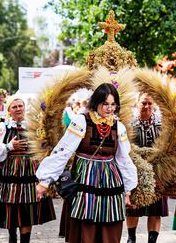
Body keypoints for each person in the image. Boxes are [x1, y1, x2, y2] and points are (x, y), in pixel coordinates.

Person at [36, 83, 138, 243]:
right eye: (105, 104)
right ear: (96, 102)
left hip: (111, 182)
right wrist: (45, 180)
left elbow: (124, 159)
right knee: (85, 224)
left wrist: (128, 189)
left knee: (109, 226)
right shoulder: (81, 121)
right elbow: (63, 151)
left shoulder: (118, 127)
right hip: (85, 179)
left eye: (113, 104)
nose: (109, 108)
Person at [0, 95, 56, 243]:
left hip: (30, 175)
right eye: (14, 106)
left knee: (27, 209)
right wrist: (9, 146)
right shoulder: (2, 127)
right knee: (10, 208)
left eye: (20, 106)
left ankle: (24, 240)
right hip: (9, 176)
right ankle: (12, 237)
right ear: (9, 109)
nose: (18, 109)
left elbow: (44, 147)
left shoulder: (34, 127)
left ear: (25, 107)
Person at [126, 93, 167, 243]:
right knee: (133, 207)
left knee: (156, 210)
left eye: (150, 103)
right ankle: (131, 238)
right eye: (144, 103)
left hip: (158, 170)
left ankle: (152, 241)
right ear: (137, 104)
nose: (147, 106)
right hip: (136, 169)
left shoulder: (162, 124)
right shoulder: (130, 124)